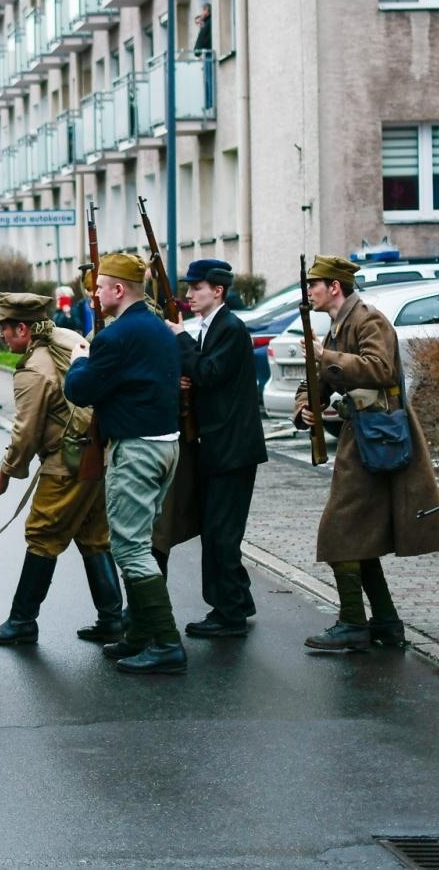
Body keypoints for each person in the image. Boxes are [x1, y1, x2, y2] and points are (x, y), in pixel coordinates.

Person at [292, 255, 439, 652]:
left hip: (379, 436)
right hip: (363, 436)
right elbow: (316, 381)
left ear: (335, 286)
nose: (309, 290)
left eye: (315, 283)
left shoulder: (368, 319)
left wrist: (324, 356)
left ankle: (352, 623)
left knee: (340, 530)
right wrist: (304, 407)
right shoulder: (337, 326)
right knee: (357, 535)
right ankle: (385, 622)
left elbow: (380, 370)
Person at [0, 293, 123, 648]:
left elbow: (25, 434)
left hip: (65, 465)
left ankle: (22, 621)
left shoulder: (32, 370)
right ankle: (112, 618)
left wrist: (3, 474)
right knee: (93, 536)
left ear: (23, 329)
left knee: (42, 535)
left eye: (6, 329)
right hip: (96, 457)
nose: (1, 336)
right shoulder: (69, 339)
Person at [64, 253, 186, 675]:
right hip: (166, 445)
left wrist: (80, 357)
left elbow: (81, 390)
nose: (94, 294)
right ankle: (138, 635)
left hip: (135, 449)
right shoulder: (157, 328)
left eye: (99, 287)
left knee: (130, 546)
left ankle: (167, 643)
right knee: (140, 540)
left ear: (118, 290)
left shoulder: (115, 337)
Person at [167, 259, 267, 638]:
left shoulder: (229, 328)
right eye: (189, 287)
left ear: (218, 291)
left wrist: (181, 342)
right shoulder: (213, 328)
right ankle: (237, 599)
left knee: (221, 532)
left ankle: (228, 614)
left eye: (197, 288)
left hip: (232, 448)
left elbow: (209, 372)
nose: (189, 295)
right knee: (218, 529)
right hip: (222, 445)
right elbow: (209, 372)